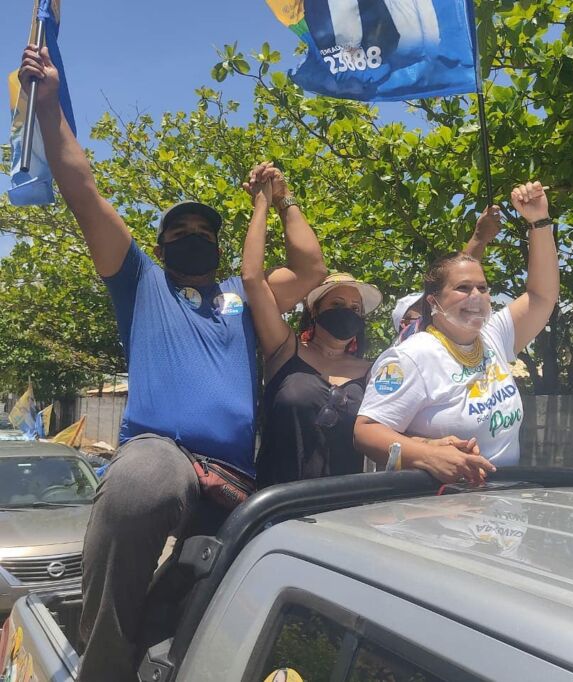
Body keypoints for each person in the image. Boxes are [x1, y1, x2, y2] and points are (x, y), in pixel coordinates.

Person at [19, 46, 326, 682]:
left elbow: (309, 270)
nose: (196, 237)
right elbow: (82, 190)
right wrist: (48, 108)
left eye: (207, 231)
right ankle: (102, 671)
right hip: (159, 452)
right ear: (160, 244)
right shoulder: (141, 282)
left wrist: (281, 197)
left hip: (234, 480)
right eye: (181, 230)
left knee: (212, 592)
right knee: (137, 488)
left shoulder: (246, 298)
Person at [355, 182, 559, 483]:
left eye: (483, 288)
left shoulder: (494, 336)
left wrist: (539, 221)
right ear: (433, 302)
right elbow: (366, 430)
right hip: (442, 512)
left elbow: (542, 296)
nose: (476, 295)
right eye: (463, 288)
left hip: (506, 506)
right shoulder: (410, 356)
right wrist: (427, 455)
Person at [241, 165, 382, 486]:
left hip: (343, 515)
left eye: (355, 308)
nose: (347, 312)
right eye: (336, 304)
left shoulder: (374, 372)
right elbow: (252, 278)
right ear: (314, 310)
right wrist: (270, 202)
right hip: (275, 510)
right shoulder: (284, 349)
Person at [391, 208, 502, 345]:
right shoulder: (407, 339)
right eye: (424, 308)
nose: (432, 310)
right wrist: (479, 238)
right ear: (404, 324)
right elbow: (457, 274)